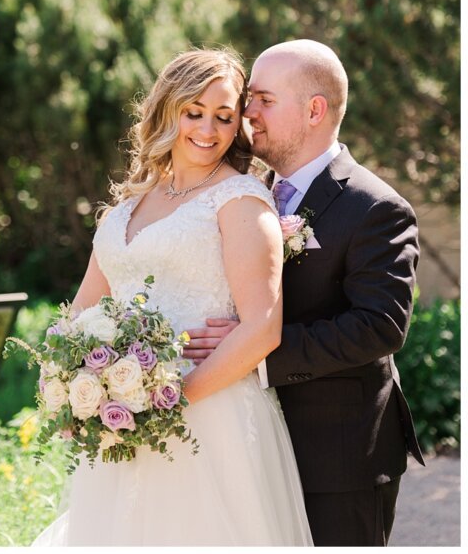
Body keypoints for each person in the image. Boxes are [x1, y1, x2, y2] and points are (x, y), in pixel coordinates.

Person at [33, 48, 313, 546]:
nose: (208, 130)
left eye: (224, 117)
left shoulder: (242, 201)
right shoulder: (129, 203)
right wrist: (65, 385)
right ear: (168, 109)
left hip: (211, 420)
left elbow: (262, 328)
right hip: (122, 422)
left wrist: (167, 403)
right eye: (195, 112)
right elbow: (80, 314)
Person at [184, 39, 423, 546]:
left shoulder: (377, 208)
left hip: (339, 457)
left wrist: (256, 351)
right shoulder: (243, 193)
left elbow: (379, 326)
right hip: (247, 447)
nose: (247, 113)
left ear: (315, 110)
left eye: (264, 100)